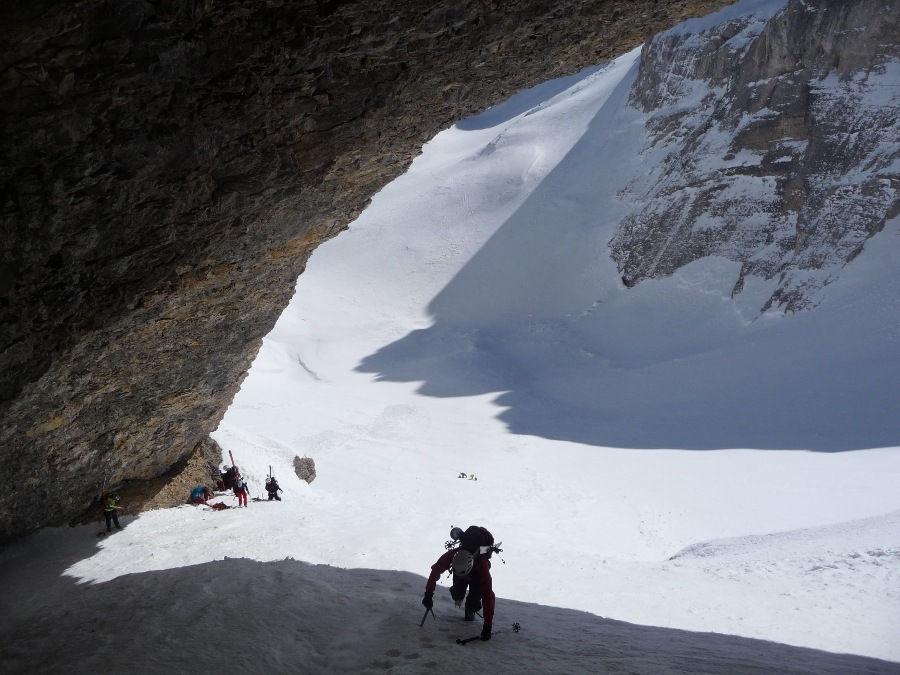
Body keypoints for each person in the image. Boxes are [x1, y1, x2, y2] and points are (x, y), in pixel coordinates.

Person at [422, 525, 496, 641]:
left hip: (477, 577)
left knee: (472, 602)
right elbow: (436, 570)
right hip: (461, 573)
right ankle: (462, 597)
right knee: (457, 594)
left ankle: (471, 608)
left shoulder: (483, 566)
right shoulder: (452, 555)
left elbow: (488, 596)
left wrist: (487, 626)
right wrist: (428, 594)